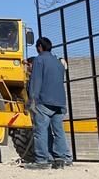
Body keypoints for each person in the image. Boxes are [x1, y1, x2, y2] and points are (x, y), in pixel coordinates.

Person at [26, 37, 71, 170]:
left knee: (40, 131)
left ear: (40, 47)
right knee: (59, 131)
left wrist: (32, 99)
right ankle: (60, 159)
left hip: (44, 101)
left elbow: (36, 81)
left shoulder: (39, 59)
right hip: (60, 102)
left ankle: (42, 160)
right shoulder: (58, 63)